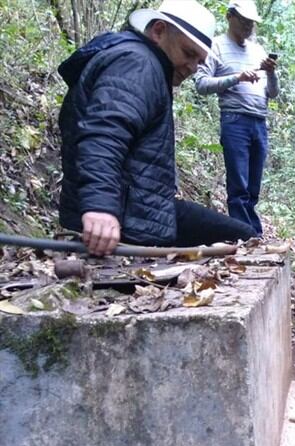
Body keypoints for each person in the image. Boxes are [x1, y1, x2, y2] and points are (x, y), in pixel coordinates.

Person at [58, 0, 257, 256]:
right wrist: (100, 207)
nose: (193, 67)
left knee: (242, 236)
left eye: (199, 60)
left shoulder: (142, 62)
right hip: (125, 222)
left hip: (141, 212)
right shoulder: (137, 64)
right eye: (188, 53)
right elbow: (104, 134)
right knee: (245, 237)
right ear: (159, 31)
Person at [194, 0, 279, 236]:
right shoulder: (216, 46)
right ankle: (246, 235)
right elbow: (201, 84)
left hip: (259, 121)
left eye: (251, 22)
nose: (248, 26)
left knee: (253, 187)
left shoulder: (258, 50)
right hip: (234, 120)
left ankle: (250, 233)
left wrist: (271, 73)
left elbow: (272, 93)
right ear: (230, 17)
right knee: (239, 184)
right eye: (243, 21)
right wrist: (236, 77)